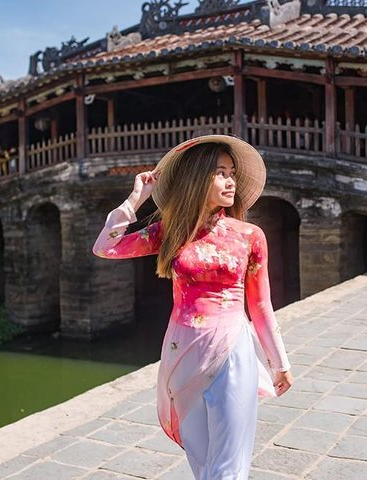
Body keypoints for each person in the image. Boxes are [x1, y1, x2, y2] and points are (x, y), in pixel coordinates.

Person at [92, 135, 293, 479]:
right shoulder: (171, 231)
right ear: (198, 178)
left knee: (229, 463)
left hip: (233, 351)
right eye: (220, 173)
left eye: (232, 173)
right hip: (182, 350)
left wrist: (279, 363)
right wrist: (135, 198)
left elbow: (260, 305)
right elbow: (106, 247)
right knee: (201, 459)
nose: (231, 181)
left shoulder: (249, 235)